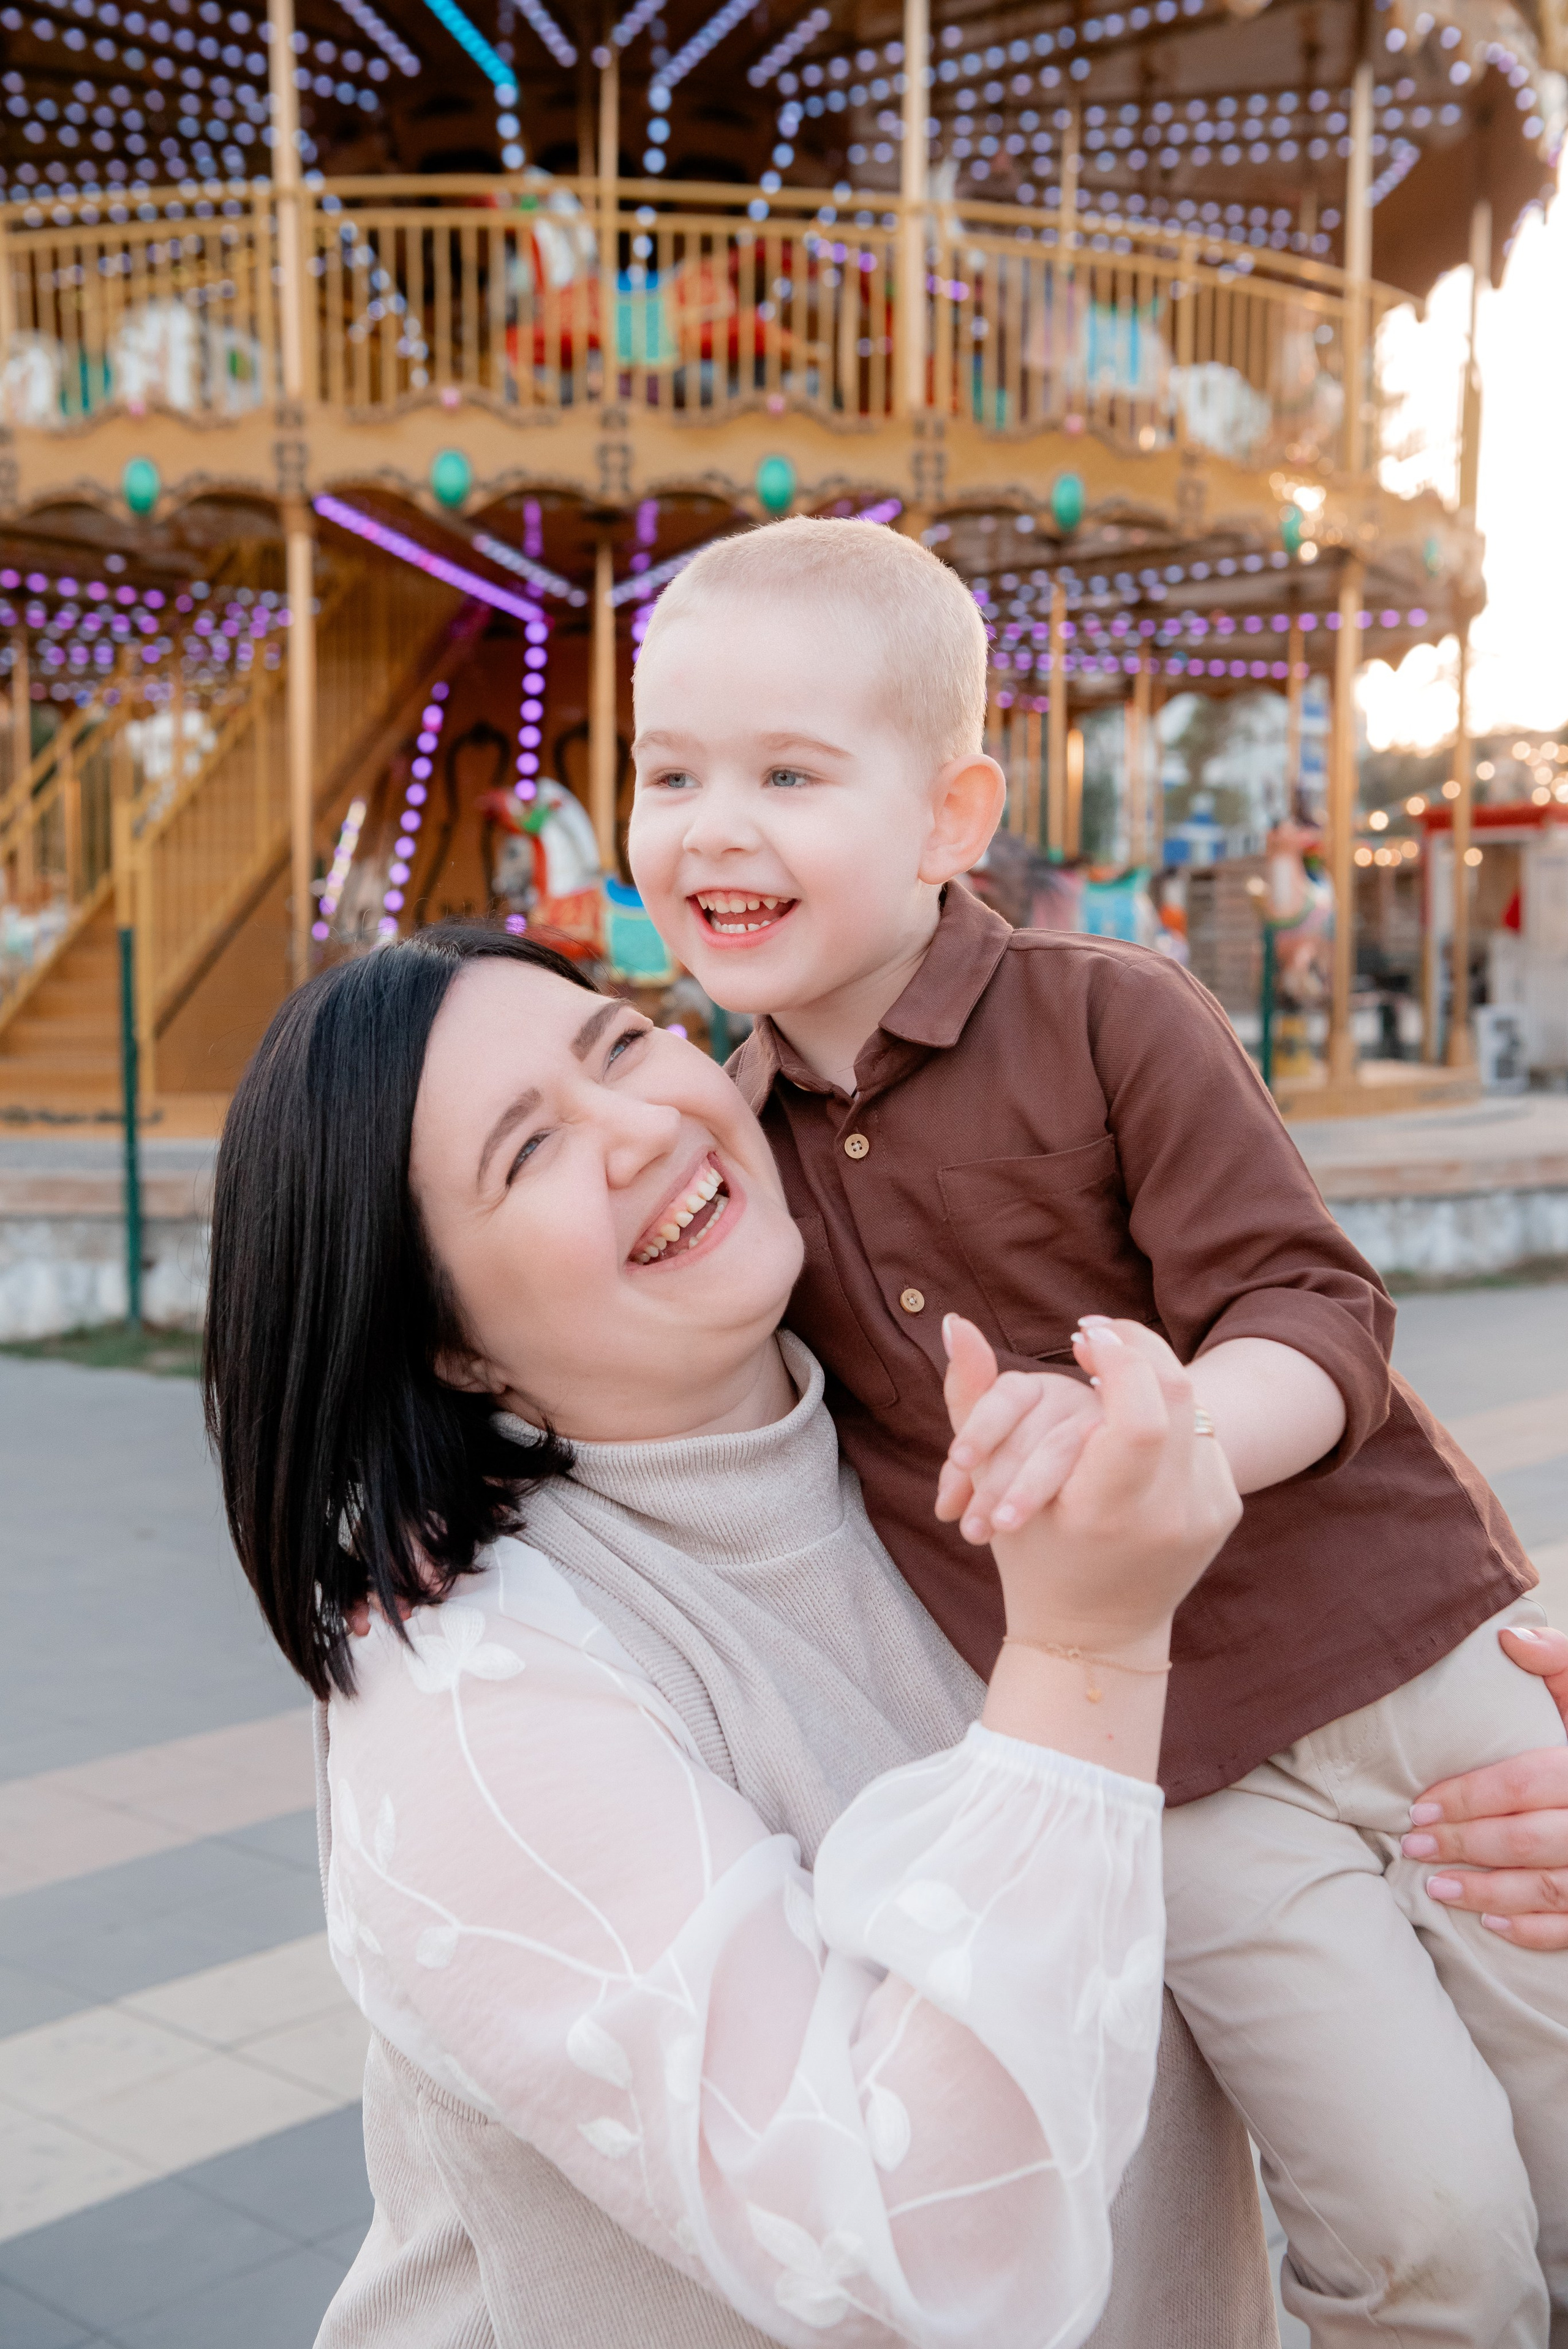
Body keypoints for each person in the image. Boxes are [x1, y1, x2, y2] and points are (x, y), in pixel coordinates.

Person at [626, 516, 1568, 2346]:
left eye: (790, 772)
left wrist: (1156, 1424)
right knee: (1420, 2228)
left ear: (953, 816)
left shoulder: (1109, 1014)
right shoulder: (731, 1154)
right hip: (1162, 1764)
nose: (714, 822)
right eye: (670, 773)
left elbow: (1318, 1310)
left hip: (1398, 1636)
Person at [204, 924, 1259, 2349]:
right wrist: (1085, 1653)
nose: (641, 1125)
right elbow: (912, 2247)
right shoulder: (467, 1686)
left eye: (624, 1042)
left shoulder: (956, 1432)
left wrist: (1472, 1815)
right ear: (448, 1341)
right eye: (527, 1152)